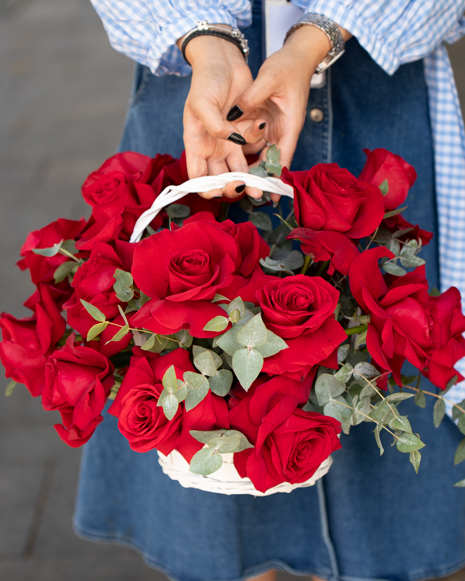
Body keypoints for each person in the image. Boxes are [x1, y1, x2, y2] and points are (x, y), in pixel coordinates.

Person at [74, 1, 465, 580]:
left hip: (372, 62)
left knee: (381, 395)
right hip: (196, 89)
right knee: (216, 501)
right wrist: (203, 39)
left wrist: (317, 38)